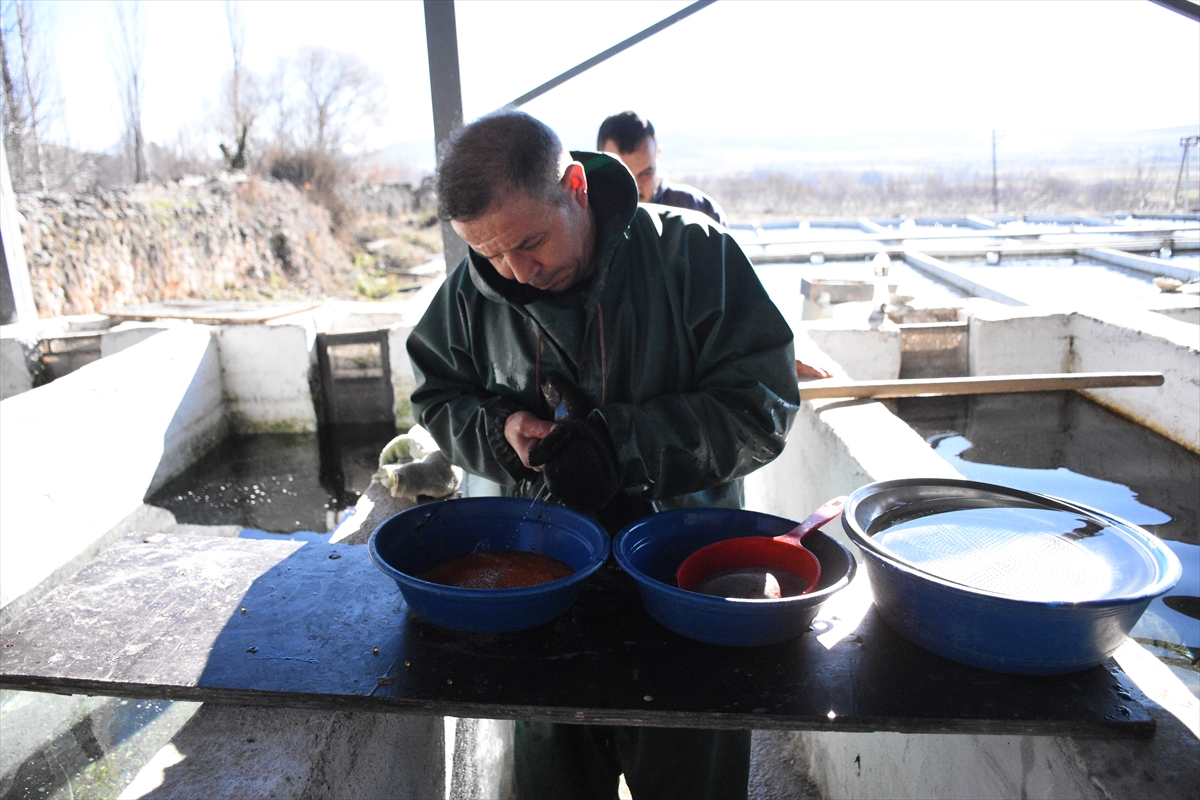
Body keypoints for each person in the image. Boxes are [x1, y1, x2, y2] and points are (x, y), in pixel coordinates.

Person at [406, 109, 800, 800]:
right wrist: (501, 433)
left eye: (530, 241)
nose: (516, 272)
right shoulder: (475, 290)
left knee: (691, 775)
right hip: (540, 597)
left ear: (577, 186)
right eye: (489, 253)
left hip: (688, 586)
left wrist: (622, 445)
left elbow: (763, 408)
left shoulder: (693, 256)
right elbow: (440, 395)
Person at [597, 111, 727, 226]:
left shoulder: (700, 212)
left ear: (657, 155)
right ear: (601, 166)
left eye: (645, 174)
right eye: (623, 176)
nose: (636, 188)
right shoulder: (590, 220)